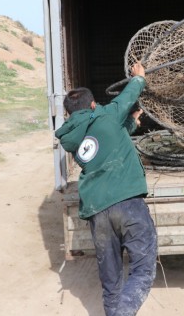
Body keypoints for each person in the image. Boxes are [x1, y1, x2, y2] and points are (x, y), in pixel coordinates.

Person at [55, 62, 157, 316]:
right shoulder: (106, 115)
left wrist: (131, 122)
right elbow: (126, 98)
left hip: (97, 211)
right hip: (127, 202)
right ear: (92, 105)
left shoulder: (72, 138)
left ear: (69, 115)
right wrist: (138, 79)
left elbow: (104, 138)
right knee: (143, 270)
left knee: (111, 281)